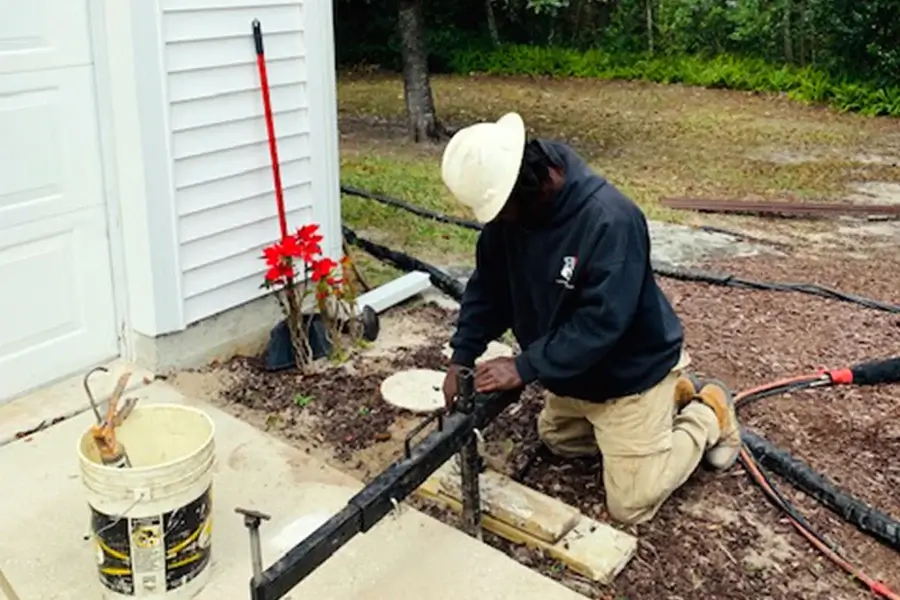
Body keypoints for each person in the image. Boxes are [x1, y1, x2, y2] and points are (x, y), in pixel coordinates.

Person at [438, 112, 741, 527]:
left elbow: (600, 325)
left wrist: (524, 366)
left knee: (631, 503)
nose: (497, 221)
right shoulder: (512, 218)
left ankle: (708, 412)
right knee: (558, 440)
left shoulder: (609, 219)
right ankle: (672, 399)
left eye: (501, 210)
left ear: (526, 187)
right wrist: (462, 355)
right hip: (576, 374)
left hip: (629, 375)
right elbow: (489, 287)